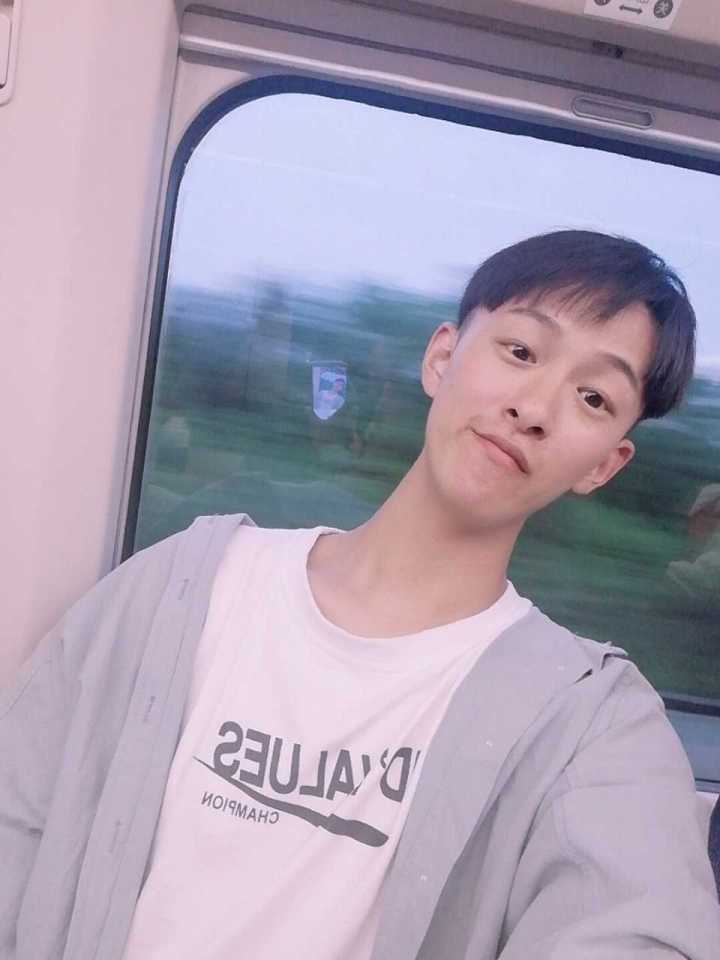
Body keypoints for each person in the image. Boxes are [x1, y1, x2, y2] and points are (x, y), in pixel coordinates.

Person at [2, 230, 719, 960]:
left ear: (604, 465)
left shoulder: (592, 725)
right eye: (521, 351)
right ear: (442, 356)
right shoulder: (179, 589)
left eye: (593, 397)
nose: (534, 407)